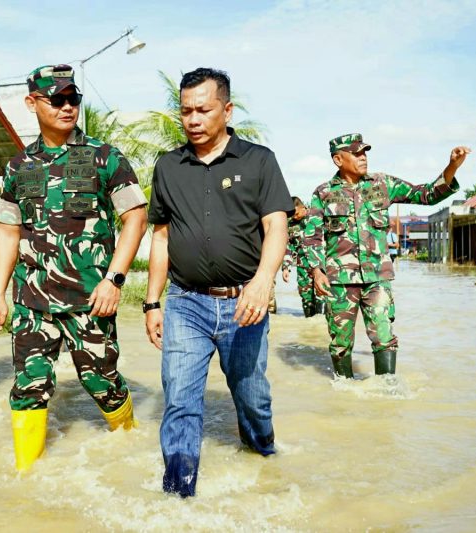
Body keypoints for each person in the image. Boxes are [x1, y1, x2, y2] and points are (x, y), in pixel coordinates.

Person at [0, 65, 148, 472]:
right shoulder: (18, 166)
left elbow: (136, 217)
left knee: (103, 386)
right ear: (32, 103)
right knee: (29, 388)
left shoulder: (105, 156)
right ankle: (26, 478)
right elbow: (7, 232)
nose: (66, 106)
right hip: (32, 300)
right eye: (55, 99)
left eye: (72, 98)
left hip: (91, 299)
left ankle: (130, 445)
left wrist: (114, 280)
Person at [144, 68, 291, 498]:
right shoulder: (168, 166)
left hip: (245, 301)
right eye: (186, 111)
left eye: (203, 110)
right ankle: (178, 494)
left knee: (251, 397)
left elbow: (276, 224)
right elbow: (162, 237)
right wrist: (153, 303)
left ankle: (265, 462)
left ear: (226, 110)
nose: (193, 119)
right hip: (186, 303)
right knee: (180, 398)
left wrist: (263, 282)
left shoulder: (258, 160)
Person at [306, 133, 469, 378]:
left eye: (365, 152)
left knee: (384, 337)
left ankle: (386, 390)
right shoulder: (324, 193)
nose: (363, 158)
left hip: (377, 278)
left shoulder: (383, 183)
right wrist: (316, 271)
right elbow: (313, 235)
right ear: (338, 159)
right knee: (340, 343)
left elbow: (426, 194)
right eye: (356, 153)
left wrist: (452, 167)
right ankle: (344, 393)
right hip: (339, 281)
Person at [281, 196, 321, 317]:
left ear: (302, 207)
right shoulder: (290, 224)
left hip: (321, 267)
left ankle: (322, 332)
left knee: (322, 298)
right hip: (303, 268)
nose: (295, 217)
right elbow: (289, 247)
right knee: (306, 299)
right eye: (292, 215)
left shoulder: (318, 217)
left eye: (296, 213)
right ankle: (309, 330)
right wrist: (286, 267)